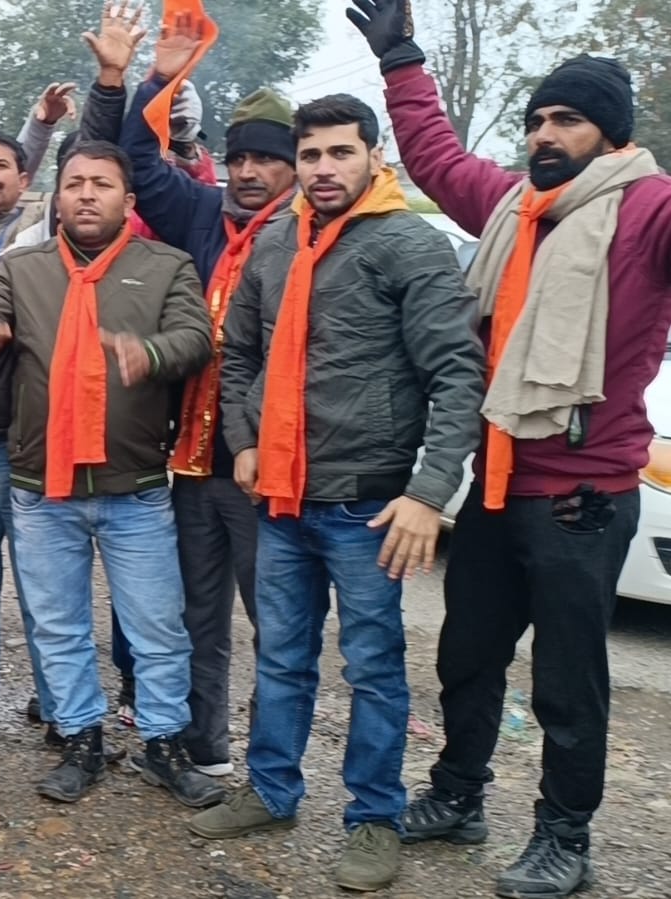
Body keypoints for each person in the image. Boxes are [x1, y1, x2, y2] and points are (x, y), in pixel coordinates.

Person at [347, 2, 671, 894]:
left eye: (564, 118)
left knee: (569, 684)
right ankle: (458, 797)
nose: (542, 133)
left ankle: (564, 836)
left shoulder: (648, 210)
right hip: (493, 483)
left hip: (581, 496)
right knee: (465, 658)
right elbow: (437, 157)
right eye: (534, 119)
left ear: (610, 134)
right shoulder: (510, 209)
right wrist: (402, 60)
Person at [190, 94, 485, 893]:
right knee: (280, 657)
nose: (324, 170)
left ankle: (373, 818)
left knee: (374, 669)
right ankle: (271, 789)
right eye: (312, 155)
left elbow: (457, 374)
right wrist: (245, 442)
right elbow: (239, 351)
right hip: (280, 499)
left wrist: (429, 492)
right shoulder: (277, 241)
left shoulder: (408, 245)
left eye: (339, 154)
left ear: (371, 155)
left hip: (368, 504)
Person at [0, 140, 214, 807]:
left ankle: (163, 744)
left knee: (156, 625)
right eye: (74, 184)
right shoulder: (24, 267)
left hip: (136, 487)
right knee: (57, 624)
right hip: (42, 488)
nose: (86, 195)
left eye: (101, 183)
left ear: (127, 198)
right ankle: (80, 739)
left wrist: (148, 352)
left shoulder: (165, 265)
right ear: (56, 197)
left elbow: (196, 337)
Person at [116, 16, 300, 776]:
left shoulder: (308, 233)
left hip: (271, 466)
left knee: (276, 624)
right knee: (196, 616)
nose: (250, 170)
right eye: (241, 155)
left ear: (291, 170)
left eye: (267, 159)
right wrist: (160, 79)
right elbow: (134, 155)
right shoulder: (201, 211)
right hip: (193, 459)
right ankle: (203, 747)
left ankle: (273, 765)